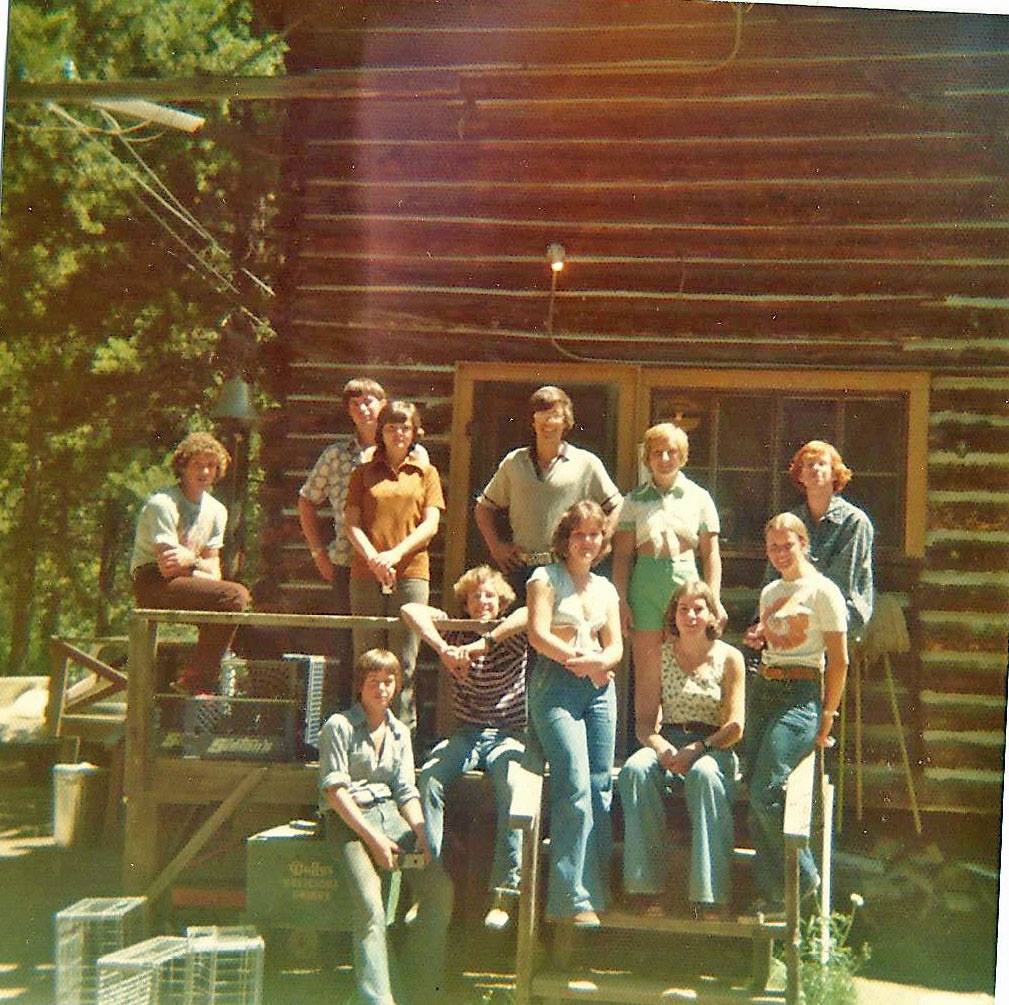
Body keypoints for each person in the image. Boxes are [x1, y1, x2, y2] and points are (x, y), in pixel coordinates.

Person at [318, 649, 452, 1005]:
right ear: (360, 685)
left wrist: (422, 832)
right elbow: (335, 792)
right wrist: (374, 839)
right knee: (370, 907)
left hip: (391, 818)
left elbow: (405, 790)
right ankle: (378, 998)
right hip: (350, 823)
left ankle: (418, 986)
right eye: (374, 681)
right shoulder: (339, 726)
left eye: (388, 681)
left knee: (439, 891)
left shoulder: (399, 732)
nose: (381, 688)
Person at [401, 565, 529, 930]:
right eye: (475, 596)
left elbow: (530, 613)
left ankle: (505, 892)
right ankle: (428, 885)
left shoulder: (512, 633)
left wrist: (483, 643)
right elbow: (410, 611)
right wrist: (443, 649)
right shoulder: (455, 630)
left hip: (510, 733)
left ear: (500, 600)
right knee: (430, 777)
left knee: (512, 788)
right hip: (468, 733)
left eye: (489, 595)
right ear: (466, 603)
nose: (483, 602)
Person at [618, 580, 744, 920]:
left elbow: (735, 726)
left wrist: (697, 749)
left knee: (703, 774)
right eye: (683, 609)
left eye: (698, 609)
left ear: (711, 615)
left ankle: (710, 898)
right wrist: (662, 749)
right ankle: (645, 891)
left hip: (714, 746)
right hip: (668, 741)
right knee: (635, 769)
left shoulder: (730, 658)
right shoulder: (657, 657)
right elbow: (644, 724)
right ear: (673, 615)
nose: (690, 615)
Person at [298, 378, 430, 702]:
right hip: (350, 563)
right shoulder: (336, 456)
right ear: (349, 412)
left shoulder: (416, 454)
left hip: (403, 563)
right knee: (354, 651)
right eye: (355, 404)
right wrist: (318, 553)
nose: (364, 408)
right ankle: (354, 727)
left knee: (403, 651)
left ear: (384, 405)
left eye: (370, 401)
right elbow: (307, 500)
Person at [744, 513, 848, 915]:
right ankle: (775, 895)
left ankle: (804, 876)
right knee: (753, 789)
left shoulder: (824, 592)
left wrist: (827, 716)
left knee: (766, 790)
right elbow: (773, 640)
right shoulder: (771, 591)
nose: (781, 553)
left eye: (788, 545)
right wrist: (758, 635)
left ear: (805, 544)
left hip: (802, 694)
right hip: (765, 689)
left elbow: (839, 661)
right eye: (774, 547)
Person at [526, 500, 623, 928]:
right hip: (557, 686)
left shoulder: (604, 588)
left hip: (599, 688)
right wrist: (580, 659)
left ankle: (595, 892)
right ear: (565, 539)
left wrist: (600, 663)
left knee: (601, 787)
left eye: (595, 534)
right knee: (576, 784)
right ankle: (568, 896)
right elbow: (538, 635)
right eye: (579, 534)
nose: (587, 541)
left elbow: (617, 644)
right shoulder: (545, 577)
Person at [613, 422, 726, 727]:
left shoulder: (699, 497)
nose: (664, 459)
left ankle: (682, 738)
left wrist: (713, 598)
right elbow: (623, 556)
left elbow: (710, 553)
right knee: (648, 672)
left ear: (683, 457)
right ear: (647, 458)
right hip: (646, 585)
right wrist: (621, 601)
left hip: (686, 583)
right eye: (657, 453)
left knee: (685, 663)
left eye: (671, 452)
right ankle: (649, 745)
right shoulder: (633, 501)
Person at [345, 400, 444, 733]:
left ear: (415, 432)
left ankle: (403, 739)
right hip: (366, 574)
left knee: (404, 660)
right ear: (381, 432)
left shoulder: (426, 474)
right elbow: (352, 524)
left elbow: (430, 525)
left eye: (405, 427)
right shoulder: (362, 474)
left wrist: (394, 555)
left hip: (411, 573)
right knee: (367, 657)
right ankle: (362, 736)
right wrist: (374, 557)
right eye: (391, 427)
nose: (398, 433)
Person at [131, 432, 250, 694]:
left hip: (189, 581)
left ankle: (236, 696)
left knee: (247, 616)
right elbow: (167, 567)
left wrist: (191, 560)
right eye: (198, 464)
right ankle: (195, 682)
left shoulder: (217, 510)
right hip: (153, 582)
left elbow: (214, 571)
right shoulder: (163, 504)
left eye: (211, 465)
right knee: (235, 596)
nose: (205, 471)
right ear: (183, 466)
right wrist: (198, 566)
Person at [475, 385, 622, 598]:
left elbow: (617, 505)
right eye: (541, 414)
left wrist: (601, 542)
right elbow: (483, 508)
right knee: (522, 629)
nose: (548, 422)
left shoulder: (586, 463)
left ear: (566, 421)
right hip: (522, 569)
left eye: (555, 415)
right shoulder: (514, 462)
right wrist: (496, 547)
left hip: (567, 567)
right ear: (532, 421)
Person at [782, 440, 874, 637]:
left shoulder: (855, 522)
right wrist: (760, 620)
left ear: (834, 474)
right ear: (800, 476)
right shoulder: (790, 523)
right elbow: (773, 576)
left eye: (822, 463)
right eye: (808, 465)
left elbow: (839, 584)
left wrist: (790, 611)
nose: (815, 469)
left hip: (842, 613)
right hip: (793, 610)